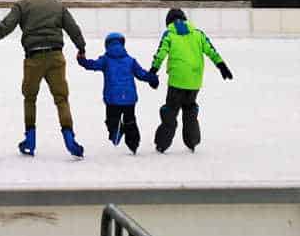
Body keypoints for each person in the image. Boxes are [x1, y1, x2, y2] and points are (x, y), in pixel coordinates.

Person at [0, 0, 87, 158]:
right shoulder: (56, 3)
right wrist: (81, 47)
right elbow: (73, 28)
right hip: (55, 56)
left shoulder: (22, 4)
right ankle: (69, 137)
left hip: (34, 58)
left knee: (30, 98)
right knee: (61, 98)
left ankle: (30, 139)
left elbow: (6, 26)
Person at [149, 8, 233, 153]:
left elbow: (160, 54)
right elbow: (211, 50)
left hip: (176, 81)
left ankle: (162, 143)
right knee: (190, 109)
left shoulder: (169, 34)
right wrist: (221, 66)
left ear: (168, 22)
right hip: (194, 81)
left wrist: (153, 71)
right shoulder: (198, 34)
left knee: (170, 111)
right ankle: (192, 141)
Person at [76, 32, 158, 154]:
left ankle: (116, 132)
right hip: (129, 98)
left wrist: (82, 60)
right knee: (130, 120)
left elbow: (92, 65)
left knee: (111, 121)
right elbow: (142, 74)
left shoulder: (105, 60)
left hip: (113, 99)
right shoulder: (130, 61)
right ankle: (133, 144)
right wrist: (152, 78)